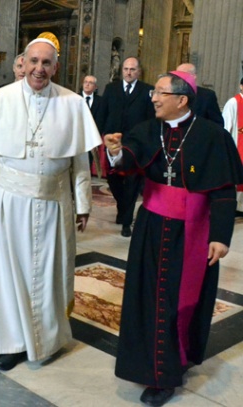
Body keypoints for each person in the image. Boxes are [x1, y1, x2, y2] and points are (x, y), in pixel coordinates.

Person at [105, 71, 243, 406]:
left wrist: (220, 236)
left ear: (181, 99)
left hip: (193, 231)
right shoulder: (148, 128)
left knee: (180, 301)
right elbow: (130, 157)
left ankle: (172, 365)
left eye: (160, 92)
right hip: (151, 227)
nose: (153, 97)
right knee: (148, 298)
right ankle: (153, 370)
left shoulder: (212, 135)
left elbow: (223, 192)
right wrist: (115, 153)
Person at [0, 38, 101, 371]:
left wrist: (83, 203)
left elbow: (79, 161)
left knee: (51, 273)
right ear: (23, 63)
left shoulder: (72, 104)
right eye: (34, 62)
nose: (39, 69)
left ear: (56, 67)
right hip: (7, 203)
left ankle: (49, 338)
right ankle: (11, 342)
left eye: (47, 63)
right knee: (8, 275)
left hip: (55, 203)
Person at [96, 57, 155, 237]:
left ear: (138, 71)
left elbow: (150, 118)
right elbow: (102, 113)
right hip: (113, 141)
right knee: (113, 181)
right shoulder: (111, 88)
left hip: (134, 144)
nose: (129, 72)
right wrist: (101, 134)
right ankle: (123, 208)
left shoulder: (146, 90)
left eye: (132, 69)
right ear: (122, 70)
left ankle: (126, 222)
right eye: (126, 69)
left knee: (132, 182)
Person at [223, 77, 243, 213]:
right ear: (241, 86)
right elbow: (226, 128)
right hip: (238, 144)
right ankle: (236, 207)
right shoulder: (233, 102)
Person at [81, 75, 101, 172]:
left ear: (95, 86)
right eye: (85, 82)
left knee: (88, 162)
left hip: (92, 138)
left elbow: (101, 120)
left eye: (90, 83)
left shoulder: (100, 101)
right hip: (78, 136)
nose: (87, 84)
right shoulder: (76, 98)